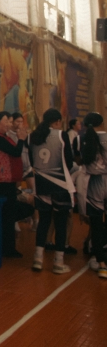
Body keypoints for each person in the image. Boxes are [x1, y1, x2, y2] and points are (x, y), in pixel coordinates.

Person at [28, 108, 74, 274]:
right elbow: (69, 162)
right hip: (59, 185)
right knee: (61, 224)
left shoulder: (32, 136)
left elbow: (31, 160)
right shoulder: (62, 135)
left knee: (44, 222)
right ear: (57, 121)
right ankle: (58, 262)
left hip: (41, 185)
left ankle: (38, 259)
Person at [0, 111, 27, 258]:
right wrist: (21, 139)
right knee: (7, 215)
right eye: (6, 121)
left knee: (10, 214)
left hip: (8, 180)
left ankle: (8, 246)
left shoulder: (2, 137)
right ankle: (6, 248)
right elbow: (15, 152)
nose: (8, 124)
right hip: (3, 181)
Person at [81, 112, 107, 279]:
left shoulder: (84, 139)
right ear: (102, 123)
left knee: (96, 225)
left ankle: (101, 264)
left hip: (93, 183)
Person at [7, 112, 38, 231]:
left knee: (33, 193)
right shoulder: (8, 135)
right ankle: (16, 220)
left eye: (21, 121)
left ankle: (35, 220)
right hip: (16, 169)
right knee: (17, 193)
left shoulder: (25, 134)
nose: (19, 124)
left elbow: (30, 149)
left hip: (27, 167)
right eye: (17, 121)